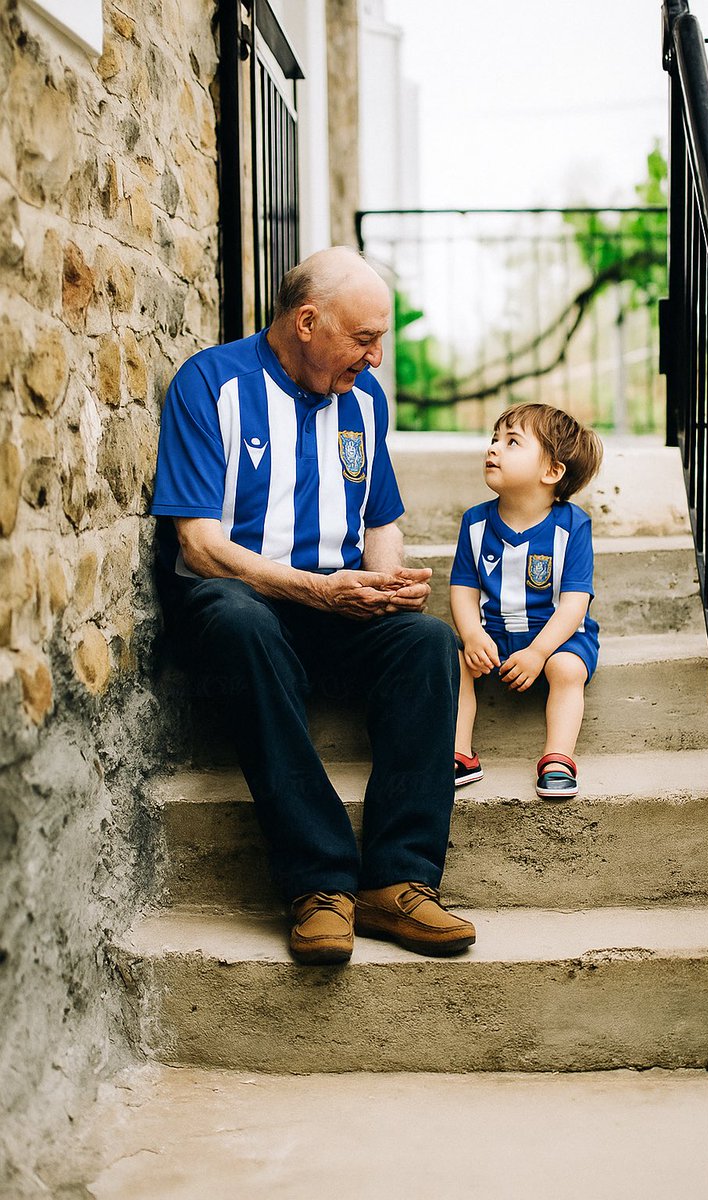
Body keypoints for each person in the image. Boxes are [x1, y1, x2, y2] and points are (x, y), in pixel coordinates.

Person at [151, 246, 475, 965]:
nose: (377, 357)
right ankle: (320, 884)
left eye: (379, 340)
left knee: (426, 644)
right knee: (239, 621)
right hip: (237, 603)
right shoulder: (213, 384)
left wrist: (384, 587)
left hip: (331, 605)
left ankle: (398, 881)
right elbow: (199, 545)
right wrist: (315, 589)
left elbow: (380, 520)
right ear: (307, 322)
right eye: (364, 339)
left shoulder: (365, 401)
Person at [449, 402, 603, 800]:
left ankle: (557, 758)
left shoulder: (572, 525)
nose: (494, 448)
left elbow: (574, 604)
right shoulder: (475, 522)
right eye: (494, 439)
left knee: (568, 670)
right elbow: (464, 587)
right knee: (455, 659)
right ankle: (459, 753)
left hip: (556, 636)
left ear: (551, 472)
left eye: (512, 441)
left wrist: (539, 653)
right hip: (495, 632)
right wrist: (471, 634)